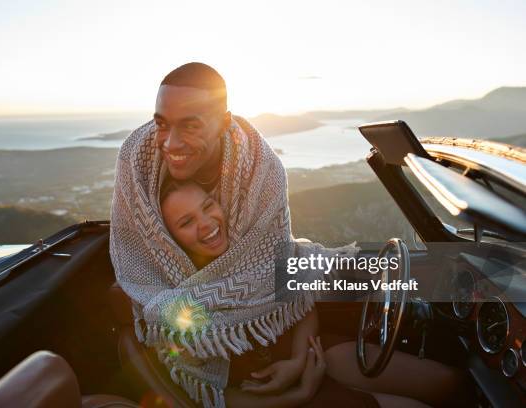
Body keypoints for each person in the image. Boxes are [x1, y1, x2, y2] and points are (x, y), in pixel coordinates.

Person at [110, 63, 468, 408]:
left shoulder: (259, 175)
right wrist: (295, 396)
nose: (170, 142)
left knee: (449, 384)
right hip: (253, 386)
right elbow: (202, 395)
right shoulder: (165, 312)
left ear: (222, 122)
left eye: (189, 125)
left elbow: (286, 273)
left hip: (298, 344)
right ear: (160, 233)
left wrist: (299, 359)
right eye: (161, 124)